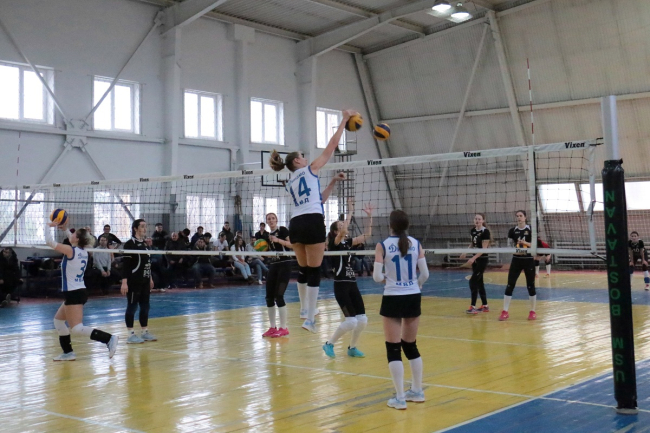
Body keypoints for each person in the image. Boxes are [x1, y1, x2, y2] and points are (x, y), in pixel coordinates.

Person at [269, 109, 358, 333]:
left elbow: (318, 199)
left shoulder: (290, 182)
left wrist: (332, 182)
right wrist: (344, 119)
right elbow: (332, 145)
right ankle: (309, 319)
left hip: (296, 223)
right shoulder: (310, 169)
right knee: (315, 270)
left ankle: (304, 311)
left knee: (304, 268)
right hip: (312, 221)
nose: (307, 158)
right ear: (297, 161)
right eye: (303, 156)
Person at [373, 210, 429, 410]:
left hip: (393, 296)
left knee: (393, 348)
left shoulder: (382, 245)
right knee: (410, 345)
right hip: (412, 296)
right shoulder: (416, 244)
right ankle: (417, 391)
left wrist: (388, 280)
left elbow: (377, 277)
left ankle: (400, 397)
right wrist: (416, 285)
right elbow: (425, 274)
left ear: (390, 225)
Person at [46, 220, 118, 361]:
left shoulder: (70, 251)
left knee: (77, 328)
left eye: (74, 234)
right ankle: (68, 353)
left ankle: (109, 338)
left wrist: (48, 226)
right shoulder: (83, 251)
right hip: (77, 291)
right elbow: (74, 240)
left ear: (78, 239)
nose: (71, 234)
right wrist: (66, 230)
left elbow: (49, 241)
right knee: (58, 322)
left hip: (74, 293)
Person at [322, 200, 374, 359]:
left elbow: (367, 235)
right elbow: (344, 230)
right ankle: (329, 343)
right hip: (341, 285)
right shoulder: (334, 243)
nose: (344, 227)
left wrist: (369, 217)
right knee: (351, 321)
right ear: (335, 231)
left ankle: (352, 348)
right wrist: (350, 210)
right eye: (340, 226)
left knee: (362, 320)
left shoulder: (347, 243)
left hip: (352, 284)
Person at [121, 219, 156, 344]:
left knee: (145, 306)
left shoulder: (145, 245)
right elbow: (126, 266)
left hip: (145, 280)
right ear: (135, 228)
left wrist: (150, 278)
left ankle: (144, 332)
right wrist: (124, 282)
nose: (145, 229)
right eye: (142, 226)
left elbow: (147, 263)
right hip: (134, 281)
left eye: (145, 226)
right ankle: (130, 334)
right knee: (132, 306)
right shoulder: (129, 244)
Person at [499, 210, 537, 321]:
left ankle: (532, 311)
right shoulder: (512, 231)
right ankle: (505, 311)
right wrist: (515, 251)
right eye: (517, 216)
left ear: (525, 217)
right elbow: (509, 247)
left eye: (521, 216)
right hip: (516, 260)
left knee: (530, 286)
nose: (519, 218)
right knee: (510, 285)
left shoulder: (531, 230)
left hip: (528, 260)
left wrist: (525, 244)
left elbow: (535, 245)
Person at [261, 213, 293, 338]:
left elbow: (292, 245)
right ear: (266, 222)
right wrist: (261, 251)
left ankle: (284, 328)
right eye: (269, 219)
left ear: (276, 220)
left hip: (285, 264)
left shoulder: (283, 230)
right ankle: (272, 327)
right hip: (274, 264)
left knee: (279, 296)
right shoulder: (267, 236)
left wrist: (278, 240)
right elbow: (271, 252)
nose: (271, 220)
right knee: (269, 297)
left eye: (273, 218)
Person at [459, 213, 491, 314]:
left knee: (473, 281)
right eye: (476, 219)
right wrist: (466, 252)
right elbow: (472, 243)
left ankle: (472, 306)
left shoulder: (485, 232)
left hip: (482, 260)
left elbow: (484, 249)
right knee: (479, 283)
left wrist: (473, 258)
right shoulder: (473, 230)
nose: (477, 220)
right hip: (475, 260)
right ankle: (485, 306)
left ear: (483, 221)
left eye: (479, 219)